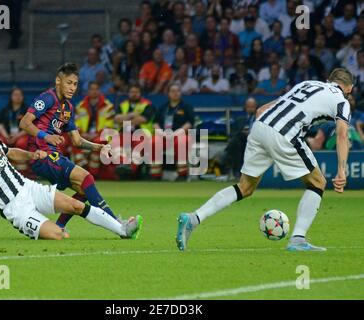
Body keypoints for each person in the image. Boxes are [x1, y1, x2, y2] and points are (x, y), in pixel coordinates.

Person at [176, 68, 354, 252]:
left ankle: (193, 218)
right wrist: (342, 170)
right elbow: (342, 135)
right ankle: (298, 239)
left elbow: (262, 109)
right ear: (349, 89)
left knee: (245, 187)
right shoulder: (342, 101)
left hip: (260, 126)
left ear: (328, 80)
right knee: (318, 182)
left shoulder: (307, 84)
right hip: (285, 132)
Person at [0, 108, 140, 240]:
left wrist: (31, 155)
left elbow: (10, 152)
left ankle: (122, 229)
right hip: (16, 209)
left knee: (76, 205)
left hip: (28, 188)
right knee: (59, 235)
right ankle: (47, 227)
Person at [19, 63, 142, 235]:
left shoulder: (68, 107)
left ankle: (60, 226)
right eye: (68, 83)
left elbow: (76, 140)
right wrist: (45, 136)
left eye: (75, 84)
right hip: (42, 155)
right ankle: (119, 225)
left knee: (84, 190)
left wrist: (97, 147)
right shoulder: (47, 98)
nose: (72, 88)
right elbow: (24, 122)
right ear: (58, 81)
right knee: (86, 178)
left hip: (54, 155)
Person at [151, 83, 195, 180]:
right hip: (163, 136)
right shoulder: (163, 107)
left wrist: (176, 133)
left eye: (177, 91)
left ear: (181, 93)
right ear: (168, 93)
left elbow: (190, 122)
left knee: (181, 142)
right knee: (153, 142)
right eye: (172, 91)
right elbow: (155, 122)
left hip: (181, 135)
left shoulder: (186, 106)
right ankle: (155, 174)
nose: (175, 93)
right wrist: (160, 133)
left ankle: (182, 173)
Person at [73, 82, 116, 178]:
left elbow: (109, 126)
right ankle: (81, 171)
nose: (94, 91)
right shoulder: (80, 107)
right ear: (88, 91)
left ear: (99, 91)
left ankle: (93, 173)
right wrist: (83, 134)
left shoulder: (108, 106)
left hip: (102, 136)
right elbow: (76, 124)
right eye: (92, 89)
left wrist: (96, 135)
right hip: (84, 135)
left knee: (98, 142)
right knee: (75, 140)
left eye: (96, 89)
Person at [222, 97, 257, 179]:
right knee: (237, 142)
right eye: (248, 107)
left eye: (252, 107)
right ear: (245, 107)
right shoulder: (240, 119)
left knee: (234, 143)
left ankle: (228, 160)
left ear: (256, 107)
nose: (250, 109)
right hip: (241, 142)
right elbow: (234, 133)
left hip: (255, 141)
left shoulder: (259, 119)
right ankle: (237, 171)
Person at [0, 87, 28, 175]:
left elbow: (30, 127)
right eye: (15, 95)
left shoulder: (28, 110)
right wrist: (6, 136)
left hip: (22, 136)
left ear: (23, 97)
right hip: (7, 135)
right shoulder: (5, 110)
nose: (17, 97)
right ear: (11, 97)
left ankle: (22, 172)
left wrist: (16, 136)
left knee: (20, 143)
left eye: (19, 95)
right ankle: (2, 171)